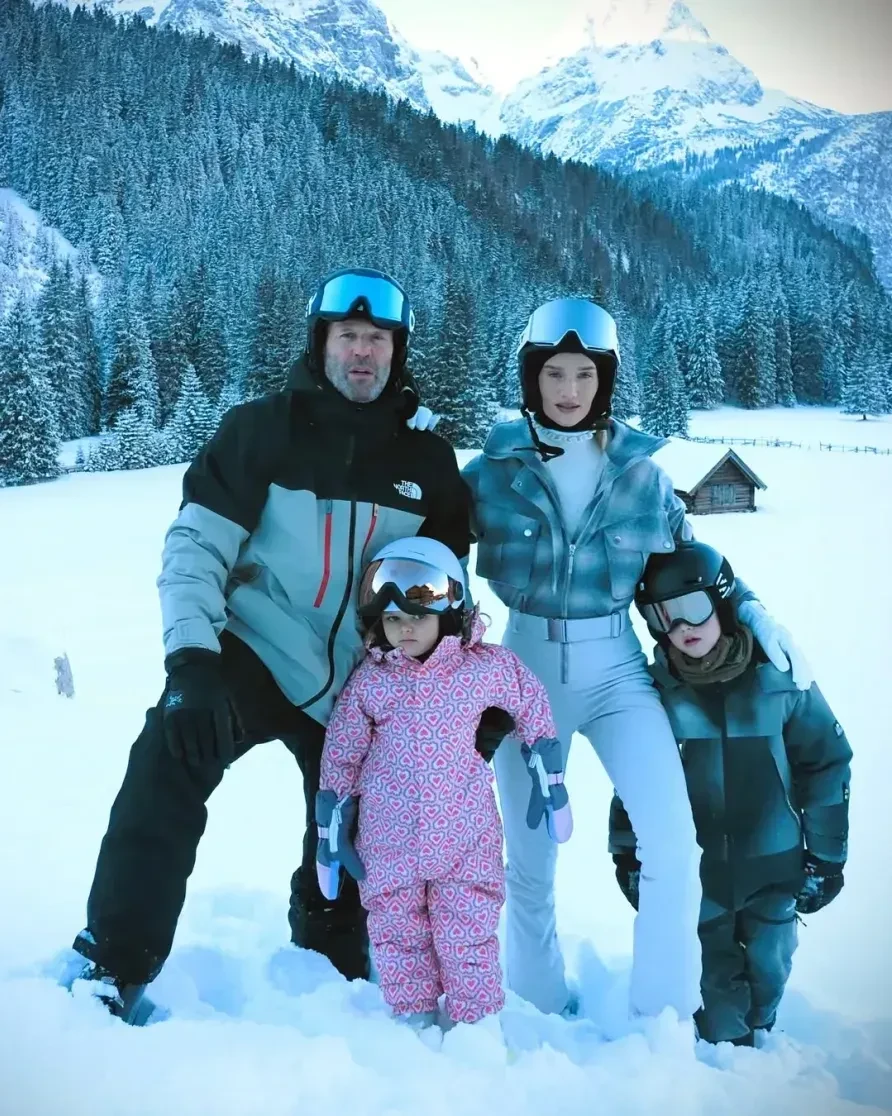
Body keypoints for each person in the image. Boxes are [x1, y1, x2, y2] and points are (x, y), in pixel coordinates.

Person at [63, 267, 498, 1025]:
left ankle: (330, 971)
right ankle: (114, 963)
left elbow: (446, 596)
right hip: (254, 651)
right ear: (320, 344)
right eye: (347, 336)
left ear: (396, 353)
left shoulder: (427, 463)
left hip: (363, 677)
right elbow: (195, 550)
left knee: (358, 831)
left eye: (377, 339)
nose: (361, 352)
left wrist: (461, 696)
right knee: (167, 759)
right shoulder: (261, 431)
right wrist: (191, 664)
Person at [461, 297, 812, 1023]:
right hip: (523, 673)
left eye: (584, 374)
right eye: (554, 373)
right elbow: (431, 551)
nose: (568, 390)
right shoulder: (491, 471)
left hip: (617, 670)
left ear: (605, 381)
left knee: (672, 844)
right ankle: (535, 1001)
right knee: (531, 857)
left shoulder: (642, 477)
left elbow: (699, 562)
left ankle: (660, 1016)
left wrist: (751, 612)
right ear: (531, 378)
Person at [315, 537, 572, 1031]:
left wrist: (547, 769)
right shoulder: (371, 681)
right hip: (389, 842)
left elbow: (529, 699)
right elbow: (343, 751)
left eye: (417, 616)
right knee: (398, 937)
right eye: (393, 618)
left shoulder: (482, 668)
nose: (405, 629)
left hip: (464, 837)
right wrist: (332, 825)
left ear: (450, 612)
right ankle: (414, 1026)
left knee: (467, 940)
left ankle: (476, 1032)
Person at [609, 541, 851, 1046]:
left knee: (769, 976)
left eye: (693, 608)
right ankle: (727, 1062)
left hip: (775, 867)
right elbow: (636, 779)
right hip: (697, 878)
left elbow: (826, 761)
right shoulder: (656, 693)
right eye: (664, 616)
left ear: (722, 601)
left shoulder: (779, 678)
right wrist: (629, 856)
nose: (682, 627)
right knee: (719, 1017)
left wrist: (827, 857)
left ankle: (762, 1043)